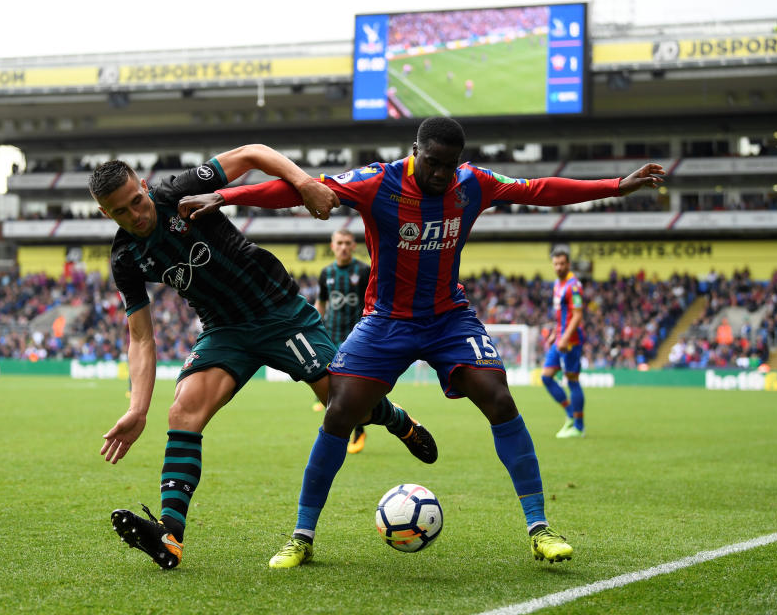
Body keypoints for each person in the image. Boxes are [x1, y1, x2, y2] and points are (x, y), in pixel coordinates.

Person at [180, 116, 665, 569]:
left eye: (448, 165)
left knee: (498, 397)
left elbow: (540, 189)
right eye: (432, 162)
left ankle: (540, 528)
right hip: (386, 320)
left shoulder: (472, 183)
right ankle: (302, 537)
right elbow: (305, 189)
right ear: (416, 152)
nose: (439, 173)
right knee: (340, 412)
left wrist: (615, 186)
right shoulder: (379, 181)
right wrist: (224, 198)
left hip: (449, 318)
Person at [88, 146, 438, 571]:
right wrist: (137, 408)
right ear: (107, 215)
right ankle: (170, 535)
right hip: (224, 330)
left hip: (279, 312)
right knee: (182, 412)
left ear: (144, 186)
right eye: (121, 212)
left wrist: (305, 183)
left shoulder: (179, 192)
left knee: (344, 403)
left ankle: (398, 421)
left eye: (137, 201)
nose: (136, 215)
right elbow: (140, 337)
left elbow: (253, 153)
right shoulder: (126, 258)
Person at [313, 229, 371, 454]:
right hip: (331, 337)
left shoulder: (364, 271)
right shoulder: (326, 272)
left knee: (353, 389)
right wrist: (314, 328)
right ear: (333, 245)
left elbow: (371, 301)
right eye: (340, 243)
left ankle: (357, 431)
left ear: (354, 245)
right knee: (333, 388)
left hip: (357, 339)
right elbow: (322, 303)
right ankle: (340, 431)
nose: (344, 247)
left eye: (347, 243)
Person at [540, 250, 587, 438]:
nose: (559, 267)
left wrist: (565, 338)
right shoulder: (557, 284)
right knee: (546, 377)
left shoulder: (573, 286)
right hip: (559, 337)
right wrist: (554, 333)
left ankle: (579, 427)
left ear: (568, 264)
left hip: (570, 341)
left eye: (562, 263)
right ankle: (570, 414)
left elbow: (577, 315)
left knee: (572, 380)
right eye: (556, 263)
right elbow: (561, 315)